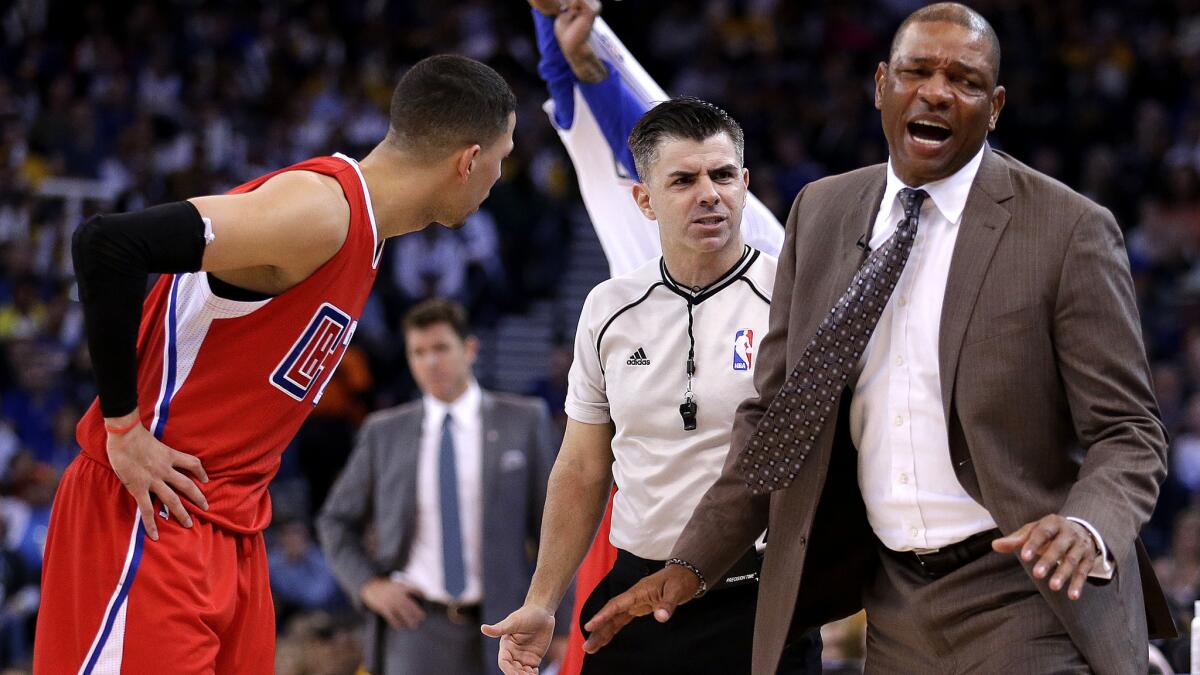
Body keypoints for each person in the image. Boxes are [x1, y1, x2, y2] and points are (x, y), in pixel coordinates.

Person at [582, 4, 1177, 673]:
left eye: (966, 80)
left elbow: (1129, 430)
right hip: (893, 602)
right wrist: (692, 562)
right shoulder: (823, 212)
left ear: (997, 104)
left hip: (1028, 593)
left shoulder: (1068, 229)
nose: (937, 91)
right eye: (917, 70)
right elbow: (776, 420)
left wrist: (1087, 524)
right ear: (879, 85)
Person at [34, 54, 516, 674]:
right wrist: (122, 428)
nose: (502, 175)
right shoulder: (318, 211)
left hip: (230, 525)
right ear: (468, 160)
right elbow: (106, 243)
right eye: (503, 156)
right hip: (150, 512)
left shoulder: (365, 235)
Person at [481, 96, 820, 674]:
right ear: (644, 200)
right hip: (635, 599)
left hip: (761, 597)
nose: (708, 193)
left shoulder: (795, 298)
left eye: (721, 175)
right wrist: (541, 601)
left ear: (744, 182)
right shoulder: (607, 309)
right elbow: (583, 469)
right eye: (683, 180)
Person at [318, 298, 568, 675]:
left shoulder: (523, 420)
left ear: (469, 348)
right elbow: (335, 520)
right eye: (418, 352)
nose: (430, 362)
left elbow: (556, 530)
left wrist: (560, 622)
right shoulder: (384, 432)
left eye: (440, 348)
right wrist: (367, 585)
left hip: (505, 625)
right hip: (414, 627)